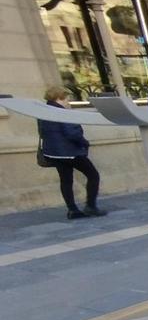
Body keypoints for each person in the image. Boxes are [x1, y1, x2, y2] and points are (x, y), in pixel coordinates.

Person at [37, 84, 106, 220]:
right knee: (93, 175)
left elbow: (42, 132)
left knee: (66, 180)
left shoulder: (42, 112)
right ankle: (91, 206)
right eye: (66, 98)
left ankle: (72, 210)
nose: (68, 101)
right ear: (59, 98)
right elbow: (71, 133)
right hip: (70, 152)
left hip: (53, 153)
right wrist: (84, 143)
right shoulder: (63, 112)